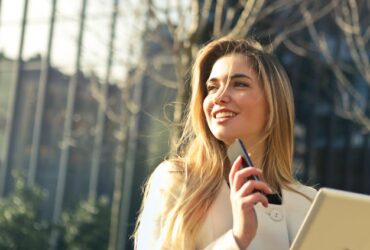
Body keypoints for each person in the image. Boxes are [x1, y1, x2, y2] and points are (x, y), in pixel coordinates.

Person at [133, 38, 317, 250]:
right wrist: (237, 238)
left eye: (239, 84)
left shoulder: (309, 204)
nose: (218, 97)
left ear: (274, 104)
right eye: (212, 87)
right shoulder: (177, 180)